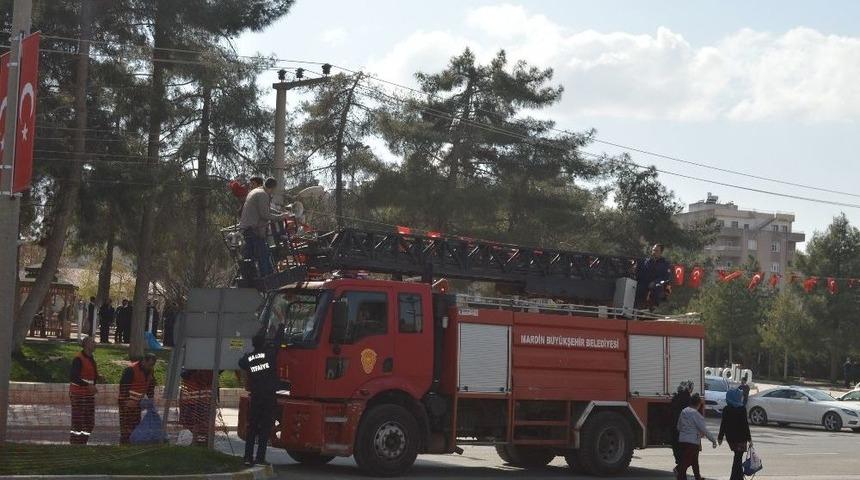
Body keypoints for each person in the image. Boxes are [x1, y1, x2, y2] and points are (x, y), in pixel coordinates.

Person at [238, 333, 279, 466]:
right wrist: (281, 326)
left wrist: (248, 355)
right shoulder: (270, 355)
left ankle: (247, 458)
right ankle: (260, 458)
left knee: (252, 427)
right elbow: (278, 342)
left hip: (256, 397)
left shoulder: (249, 358)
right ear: (264, 343)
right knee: (265, 428)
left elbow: (241, 363)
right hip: (269, 397)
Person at [238, 177, 289, 277]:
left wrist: (279, 212)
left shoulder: (256, 191)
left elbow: (265, 208)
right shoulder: (263, 195)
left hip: (246, 229)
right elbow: (265, 215)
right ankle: (268, 279)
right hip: (254, 230)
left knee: (249, 258)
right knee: (264, 256)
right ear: (273, 188)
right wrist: (281, 217)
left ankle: (248, 278)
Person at [118, 353, 157, 444]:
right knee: (126, 427)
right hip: (127, 403)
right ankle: (124, 444)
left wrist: (151, 399)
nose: (150, 367)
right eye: (150, 364)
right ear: (144, 361)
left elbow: (150, 385)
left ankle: (132, 443)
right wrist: (127, 400)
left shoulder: (150, 371)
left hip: (137, 403)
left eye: (152, 365)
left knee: (135, 425)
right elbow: (123, 387)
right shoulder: (131, 370)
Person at [676, 393, 717, 480]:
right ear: (698, 404)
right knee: (686, 463)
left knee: (694, 460)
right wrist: (713, 440)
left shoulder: (684, 411)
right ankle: (678, 471)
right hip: (693, 442)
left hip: (682, 440)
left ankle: (697, 477)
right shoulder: (697, 415)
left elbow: (678, 426)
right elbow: (704, 430)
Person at [69, 336, 99, 444]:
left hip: (88, 395)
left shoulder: (91, 358)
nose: (95, 344)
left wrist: (98, 378)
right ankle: (75, 443)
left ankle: (83, 442)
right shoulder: (78, 358)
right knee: (78, 422)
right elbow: (74, 377)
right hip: (78, 395)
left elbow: (90, 374)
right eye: (92, 342)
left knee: (89, 422)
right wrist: (88, 385)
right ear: (86, 345)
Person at [718, 388, 753, 480]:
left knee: (737, 457)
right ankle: (735, 478)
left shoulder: (726, 409)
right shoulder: (742, 409)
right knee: (738, 458)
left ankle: (737, 477)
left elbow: (723, 424)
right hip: (741, 438)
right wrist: (749, 439)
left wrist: (720, 437)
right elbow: (745, 425)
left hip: (731, 438)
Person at [179, 369, 214, 446]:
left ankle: (204, 441)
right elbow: (183, 374)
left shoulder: (210, 369)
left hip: (204, 400)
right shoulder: (190, 368)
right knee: (192, 422)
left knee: (203, 422)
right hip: (191, 400)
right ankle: (196, 440)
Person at [636, 243, 672, 307]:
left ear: (661, 252)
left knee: (657, 289)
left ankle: (654, 308)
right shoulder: (646, 262)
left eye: (656, 251)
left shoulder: (665, 264)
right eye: (653, 250)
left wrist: (656, 282)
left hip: (658, 284)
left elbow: (666, 277)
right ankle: (637, 308)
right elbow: (640, 273)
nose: (654, 252)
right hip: (645, 283)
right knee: (637, 288)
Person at [670, 381, 692, 471]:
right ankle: (680, 469)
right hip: (684, 428)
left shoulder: (675, 398)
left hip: (675, 427)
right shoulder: (688, 399)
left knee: (677, 447)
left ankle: (680, 466)